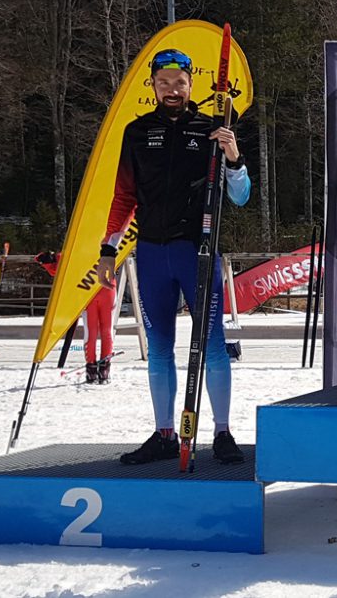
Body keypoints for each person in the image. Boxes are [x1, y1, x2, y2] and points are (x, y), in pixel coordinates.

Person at [96, 48, 250, 465]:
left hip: (195, 251)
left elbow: (240, 196)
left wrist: (234, 158)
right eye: (163, 83)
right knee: (160, 348)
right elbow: (123, 196)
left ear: (190, 84)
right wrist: (108, 250)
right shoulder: (137, 131)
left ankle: (222, 433)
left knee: (213, 345)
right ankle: (165, 434)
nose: (171, 89)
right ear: (152, 86)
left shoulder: (212, 128)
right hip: (150, 252)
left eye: (178, 82)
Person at [36, 250, 115, 384]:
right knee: (106, 331)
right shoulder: (110, 243)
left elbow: (57, 269)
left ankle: (91, 369)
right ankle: (104, 368)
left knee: (91, 332)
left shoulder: (76, 248)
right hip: (106, 289)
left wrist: (47, 260)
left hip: (87, 291)